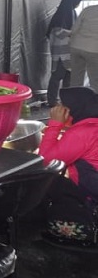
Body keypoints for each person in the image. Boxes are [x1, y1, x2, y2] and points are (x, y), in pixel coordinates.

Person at [38, 87, 98, 249]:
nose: (58, 107)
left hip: (93, 189)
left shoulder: (82, 133)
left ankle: (75, 223)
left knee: (49, 180)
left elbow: (46, 160)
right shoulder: (92, 124)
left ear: (74, 109)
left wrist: (54, 125)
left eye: (62, 104)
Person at [45, 0, 84, 106]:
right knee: (57, 76)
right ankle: (52, 101)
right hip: (61, 52)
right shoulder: (61, 13)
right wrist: (74, 32)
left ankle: (66, 102)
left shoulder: (72, 12)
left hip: (70, 52)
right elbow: (57, 32)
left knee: (69, 78)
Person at [70, 4, 98, 91]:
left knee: (75, 78)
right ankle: (95, 102)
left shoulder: (88, 9)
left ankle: (75, 102)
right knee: (95, 80)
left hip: (76, 46)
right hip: (93, 49)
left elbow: (74, 29)